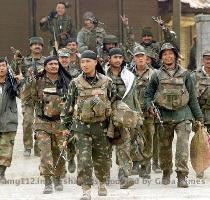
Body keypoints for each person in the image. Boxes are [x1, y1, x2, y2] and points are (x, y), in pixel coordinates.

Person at [144, 43, 203, 188]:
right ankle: (166, 171)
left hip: (183, 114)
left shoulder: (185, 74)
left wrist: (199, 118)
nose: (168, 56)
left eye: (171, 53)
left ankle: (182, 175)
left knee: (182, 146)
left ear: (175, 56)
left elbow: (193, 98)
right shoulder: (156, 75)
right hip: (163, 116)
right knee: (164, 148)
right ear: (161, 57)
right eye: (164, 54)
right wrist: (149, 106)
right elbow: (148, 95)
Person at [61, 50, 115, 200]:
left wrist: (116, 124)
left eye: (88, 61)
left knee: (102, 158)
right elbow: (68, 106)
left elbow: (115, 102)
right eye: (82, 62)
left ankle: (102, 182)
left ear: (95, 62)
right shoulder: (75, 83)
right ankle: (86, 189)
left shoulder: (106, 82)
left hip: (101, 127)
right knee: (84, 160)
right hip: (81, 127)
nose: (85, 64)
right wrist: (65, 127)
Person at [22, 55, 71, 194]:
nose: (54, 66)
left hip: (61, 123)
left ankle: (58, 178)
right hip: (42, 122)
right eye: (51, 64)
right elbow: (25, 96)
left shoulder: (66, 80)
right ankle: (48, 181)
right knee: (45, 153)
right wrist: (30, 80)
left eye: (56, 64)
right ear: (45, 66)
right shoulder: (38, 80)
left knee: (60, 153)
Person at [105, 48, 143, 189]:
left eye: (120, 57)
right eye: (115, 57)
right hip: (105, 115)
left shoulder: (129, 76)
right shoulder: (101, 73)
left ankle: (123, 176)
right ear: (109, 59)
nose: (118, 60)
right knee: (105, 146)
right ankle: (105, 175)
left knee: (124, 145)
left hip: (123, 115)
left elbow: (133, 97)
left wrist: (137, 116)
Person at [12, 37, 45, 157]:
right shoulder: (24, 61)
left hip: (42, 97)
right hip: (28, 97)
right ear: (30, 47)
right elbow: (15, 73)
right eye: (34, 44)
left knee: (40, 123)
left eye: (39, 44)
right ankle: (27, 146)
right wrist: (16, 60)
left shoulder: (47, 61)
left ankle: (38, 147)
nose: (37, 46)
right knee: (27, 122)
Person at [129, 45, 155, 178]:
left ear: (147, 58)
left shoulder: (153, 74)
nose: (140, 59)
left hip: (148, 112)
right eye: (137, 56)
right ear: (133, 58)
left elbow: (158, 92)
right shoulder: (127, 74)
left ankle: (145, 165)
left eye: (142, 56)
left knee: (148, 138)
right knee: (132, 138)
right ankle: (134, 162)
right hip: (133, 112)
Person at [0, 57, 23, 183]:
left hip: (9, 121)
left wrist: (21, 82)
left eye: (3, 65)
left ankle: (1, 173)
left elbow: (24, 95)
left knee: (6, 150)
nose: (1, 68)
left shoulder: (12, 83)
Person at [193, 50, 210, 179]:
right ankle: (200, 168)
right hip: (202, 113)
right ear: (203, 60)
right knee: (201, 143)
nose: (209, 61)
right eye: (207, 59)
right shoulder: (195, 76)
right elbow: (191, 96)